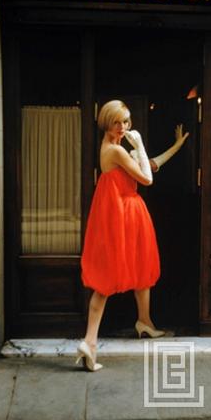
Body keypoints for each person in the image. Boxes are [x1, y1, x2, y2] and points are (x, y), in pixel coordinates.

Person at [76, 99, 189, 371]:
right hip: (126, 214)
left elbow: (149, 165)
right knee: (107, 277)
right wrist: (138, 146)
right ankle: (89, 342)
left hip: (126, 213)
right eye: (117, 121)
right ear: (106, 122)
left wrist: (176, 146)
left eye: (126, 121)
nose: (122, 127)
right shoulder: (115, 151)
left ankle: (144, 322)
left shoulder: (115, 150)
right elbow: (147, 178)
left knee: (140, 266)